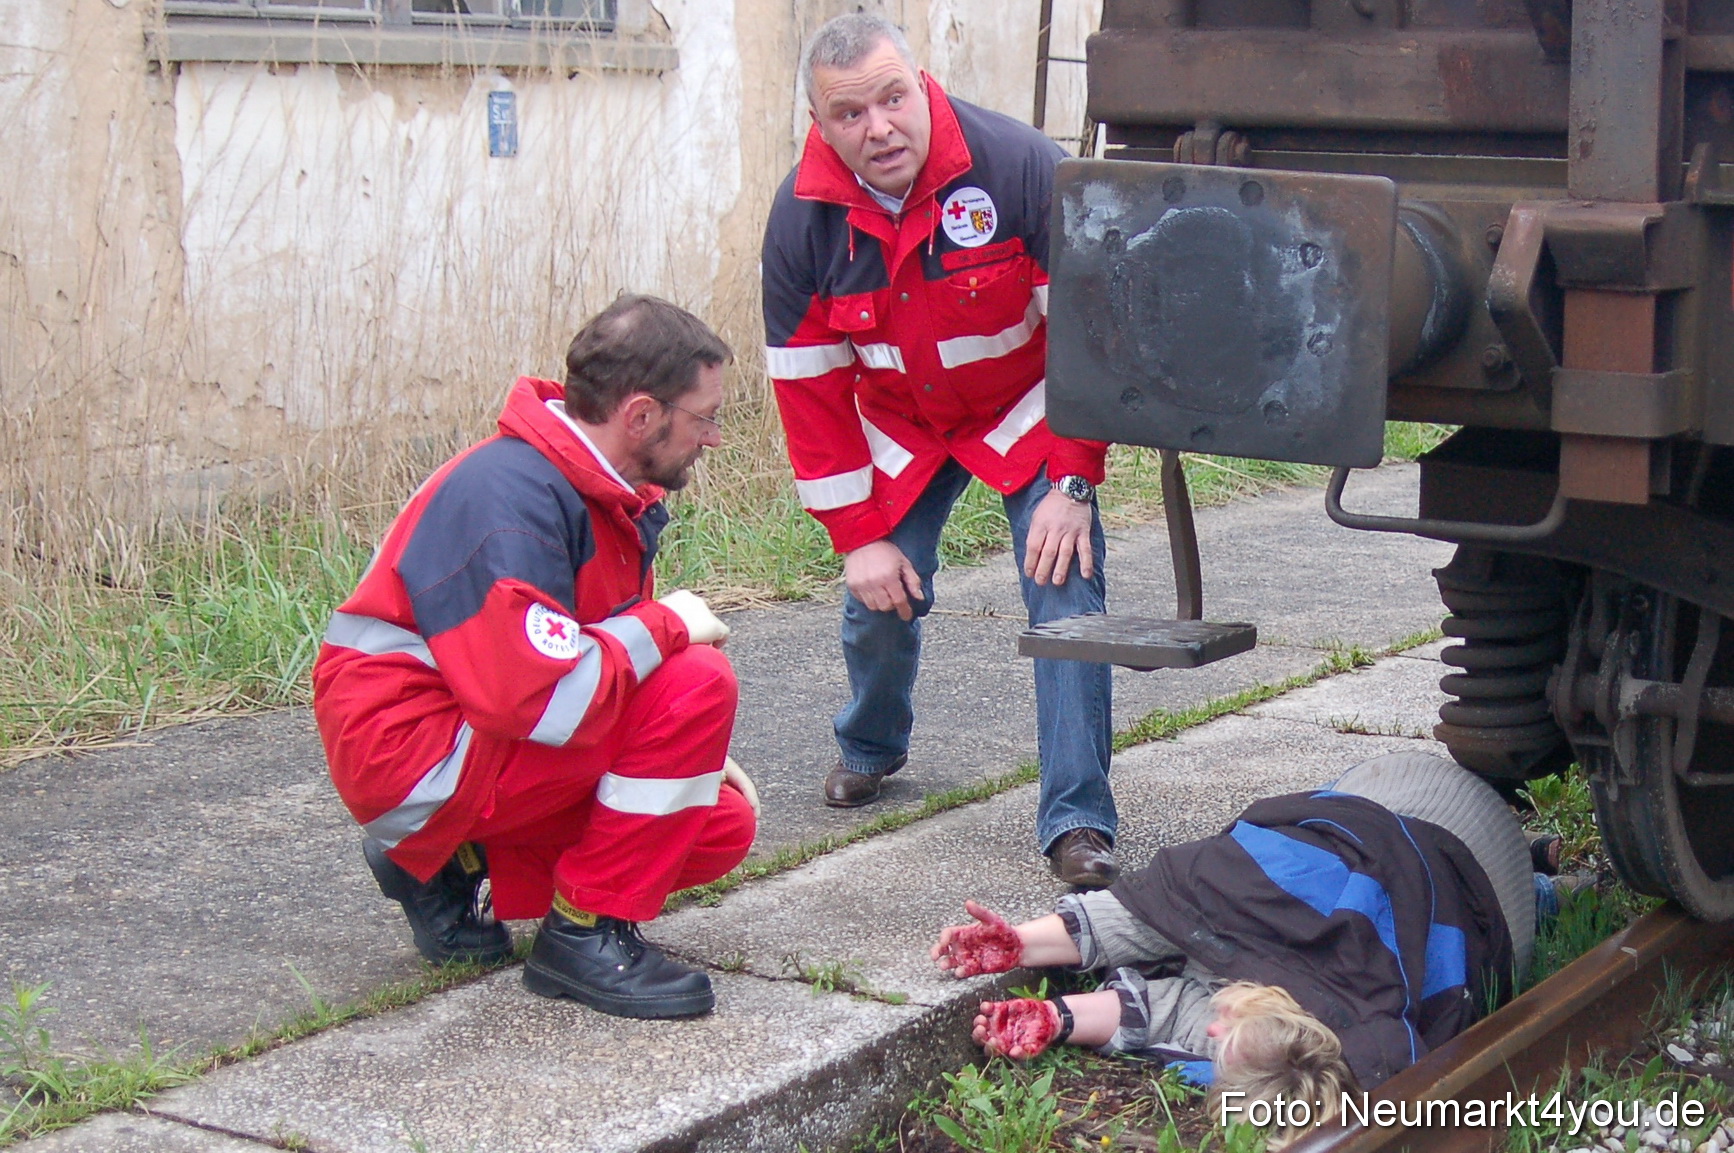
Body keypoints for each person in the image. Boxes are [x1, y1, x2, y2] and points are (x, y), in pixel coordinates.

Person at [313, 294, 758, 1021]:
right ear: (640, 416)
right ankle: (582, 934)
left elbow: (575, 657)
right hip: (418, 757)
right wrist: (668, 626)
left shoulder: (586, 487)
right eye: (702, 418)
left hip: (464, 743)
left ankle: (452, 863)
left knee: (719, 825)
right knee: (699, 679)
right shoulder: (511, 497)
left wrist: (678, 747)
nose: (711, 438)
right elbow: (539, 701)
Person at [761, 13, 1119, 887]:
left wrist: (1073, 475)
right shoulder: (802, 222)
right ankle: (871, 744)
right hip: (905, 427)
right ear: (818, 120)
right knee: (880, 592)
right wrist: (857, 536)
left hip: (1028, 413)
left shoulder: (1020, 166)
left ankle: (1078, 822)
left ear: (922, 84)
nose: (879, 127)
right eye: (851, 114)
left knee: (1064, 589)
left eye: (894, 98)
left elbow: (1091, 328)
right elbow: (808, 388)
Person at [933, 751, 1542, 1142]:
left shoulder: (1275, 1049)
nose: (1210, 1036)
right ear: (1274, 1011)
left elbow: (1164, 1012)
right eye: (1223, 1034)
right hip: (1425, 800)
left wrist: (1058, 1018)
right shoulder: (1260, 951)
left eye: (1214, 1047)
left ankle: (1542, 882)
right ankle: (1543, 882)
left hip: (1489, 898)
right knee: (1246, 870)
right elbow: (1158, 906)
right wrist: (1021, 944)